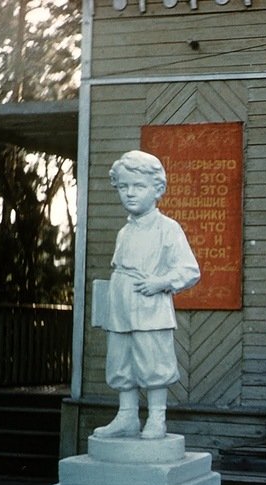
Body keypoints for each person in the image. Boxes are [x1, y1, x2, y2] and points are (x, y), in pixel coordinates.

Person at [93, 150, 200, 440]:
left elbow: (189, 270)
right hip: (121, 305)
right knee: (121, 361)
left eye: (138, 187)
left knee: (153, 362)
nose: (130, 194)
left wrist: (161, 282)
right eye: (124, 187)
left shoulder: (168, 229)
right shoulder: (124, 232)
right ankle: (127, 416)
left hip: (150, 306)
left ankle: (156, 418)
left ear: (157, 190)